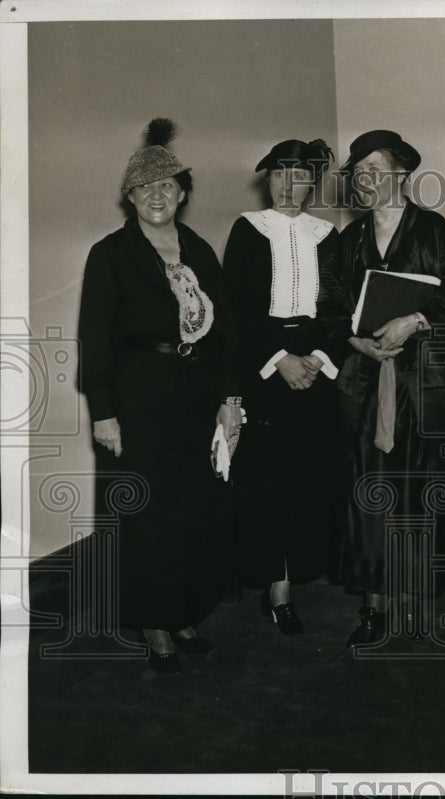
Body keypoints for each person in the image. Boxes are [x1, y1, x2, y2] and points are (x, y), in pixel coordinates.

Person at [78, 118, 241, 674]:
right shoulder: (110, 254)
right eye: (144, 187)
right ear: (129, 196)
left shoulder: (200, 250)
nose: (156, 195)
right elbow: (94, 338)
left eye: (167, 186)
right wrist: (104, 413)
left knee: (192, 512)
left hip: (196, 402)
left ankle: (183, 613)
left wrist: (230, 400)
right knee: (147, 516)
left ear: (183, 194)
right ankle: (153, 623)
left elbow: (227, 336)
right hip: (137, 405)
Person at [320, 130, 445, 648]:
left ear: (401, 174)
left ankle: (416, 602)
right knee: (370, 491)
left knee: (421, 490)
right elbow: (330, 308)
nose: (365, 180)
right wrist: (355, 342)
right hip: (367, 385)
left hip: (422, 383)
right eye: (358, 173)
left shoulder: (434, 231)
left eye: (375, 170)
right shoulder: (348, 240)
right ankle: (373, 605)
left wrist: (417, 320)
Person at [223, 138, 339, 636]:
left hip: (315, 366)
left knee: (307, 477)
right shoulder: (249, 229)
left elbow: (337, 309)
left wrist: (318, 359)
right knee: (267, 482)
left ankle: (302, 570)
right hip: (265, 367)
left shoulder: (327, 234)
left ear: (312, 184)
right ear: (267, 180)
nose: (289, 185)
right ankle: (277, 589)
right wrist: (278, 359)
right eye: (279, 174)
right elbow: (236, 309)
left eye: (299, 176)